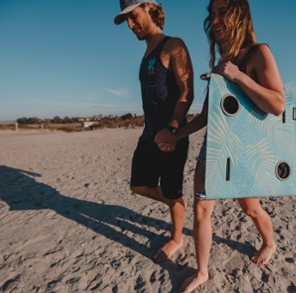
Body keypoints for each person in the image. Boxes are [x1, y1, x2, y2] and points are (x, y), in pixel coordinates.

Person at [155, 0, 285, 291]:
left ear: (240, 14)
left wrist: (238, 76)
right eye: (211, 14)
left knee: (249, 208)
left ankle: (270, 242)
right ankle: (202, 272)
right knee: (202, 209)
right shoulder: (218, 66)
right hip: (214, 146)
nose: (215, 19)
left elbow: (278, 104)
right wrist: (176, 135)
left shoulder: (258, 53)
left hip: (246, 147)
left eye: (222, 12)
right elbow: (205, 116)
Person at [114, 0, 194, 263]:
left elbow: (186, 93)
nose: (129, 24)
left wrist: (172, 128)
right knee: (138, 185)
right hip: (149, 135)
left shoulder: (173, 45)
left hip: (171, 136)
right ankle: (175, 202)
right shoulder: (146, 54)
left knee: (171, 190)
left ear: (150, 7)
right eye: (126, 20)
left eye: (133, 16)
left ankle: (177, 236)